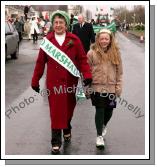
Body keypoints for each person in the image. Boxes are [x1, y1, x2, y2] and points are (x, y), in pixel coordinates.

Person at [31, 10, 92, 154]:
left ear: (66, 24)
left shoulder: (74, 40)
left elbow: (82, 59)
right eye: (56, 23)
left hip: (70, 82)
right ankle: (56, 140)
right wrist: (35, 80)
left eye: (61, 23)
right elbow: (40, 63)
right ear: (53, 24)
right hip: (53, 83)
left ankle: (67, 127)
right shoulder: (47, 41)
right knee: (56, 111)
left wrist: (87, 74)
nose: (58, 25)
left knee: (69, 108)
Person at [87, 29, 123, 148]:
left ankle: (103, 125)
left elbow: (119, 72)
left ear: (110, 40)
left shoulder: (116, 53)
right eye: (101, 39)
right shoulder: (91, 53)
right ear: (98, 39)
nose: (104, 41)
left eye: (106, 39)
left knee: (109, 110)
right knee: (100, 109)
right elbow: (86, 71)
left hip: (111, 87)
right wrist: (87, 87)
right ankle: (99, 136)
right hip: (97, 87)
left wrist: (118, 86)